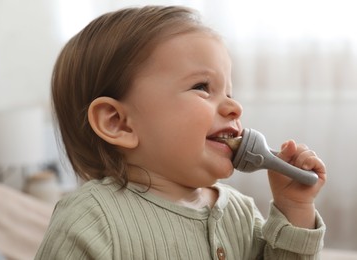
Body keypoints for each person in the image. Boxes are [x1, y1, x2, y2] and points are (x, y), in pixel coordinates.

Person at [35, 5, 326, 260]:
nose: (234, 107)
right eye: (202, 87)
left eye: (229, 92)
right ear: (118, 123)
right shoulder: (92, 218)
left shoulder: (241, 212)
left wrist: (294, 207)